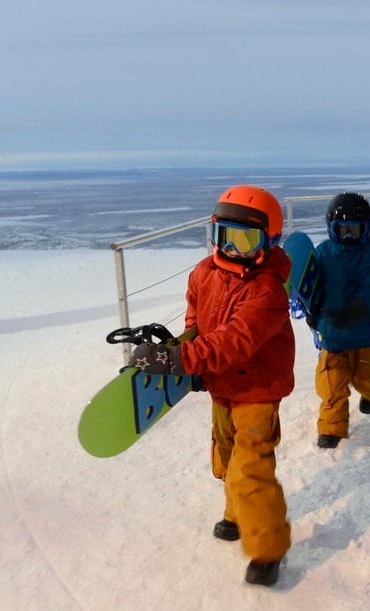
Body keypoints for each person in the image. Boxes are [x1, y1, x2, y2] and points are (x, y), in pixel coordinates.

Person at [131, 185, 294, 588]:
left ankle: (267, 549)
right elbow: (196, 318)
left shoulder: (268, 290)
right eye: (225, 236)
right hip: (221, 383)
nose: (234, 249)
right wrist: (189, 351)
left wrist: (180, 361)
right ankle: (238, 513)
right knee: (224, 457)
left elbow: (236, 340)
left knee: (250, 468)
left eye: (246, 239)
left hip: (258, 388)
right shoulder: (205, 272)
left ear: (268, 242)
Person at [311, 192, 370, 449]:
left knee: (365, 378)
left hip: (361, 334)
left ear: (365, 230)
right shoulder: (322, 254)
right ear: (331, 228)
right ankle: (332, 428)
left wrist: (354, 310)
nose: (348, 235)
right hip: (331, 335)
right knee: (331, 384)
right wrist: (310, 309)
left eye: (354, 230)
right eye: (342, 229)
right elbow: (310, 285)